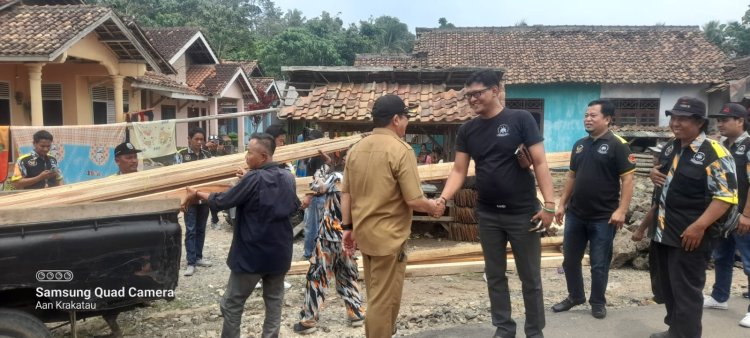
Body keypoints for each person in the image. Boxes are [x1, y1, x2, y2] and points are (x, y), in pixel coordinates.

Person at [436, 70, 555, 338]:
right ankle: (504, 328)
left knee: (530, 279)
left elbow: (540, 162)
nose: (473, 99)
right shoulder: (468, 130)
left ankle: (535, 331)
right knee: (495, 276)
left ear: (496, 90)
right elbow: (458, 171)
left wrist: (549, 204)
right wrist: (443, 198)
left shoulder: (521, 119)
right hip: (488, 214)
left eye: (477, 93)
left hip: (523, 214)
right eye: (468, 96)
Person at [341, 94, 442, 337]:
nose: (406, 124)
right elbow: (414, 200)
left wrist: (347, 227)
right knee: (381, 300)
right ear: (396, 119)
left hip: (365, 234)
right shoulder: (401, 149)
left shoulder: (356, 149)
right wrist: (434, 206)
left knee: (381, 293)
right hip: (388, 238)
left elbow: (346, 193)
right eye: (406, 118)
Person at [184, 133, 299, 338]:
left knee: (232, 303)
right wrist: (246, 179)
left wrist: (197, 193)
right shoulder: (288, 177)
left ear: (263, 156)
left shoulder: (254, 179)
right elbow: (294, 206)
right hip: (279, 253)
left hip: (252, 255)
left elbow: (222, 201)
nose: (246, 156)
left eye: (249, 152)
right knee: (274, 302)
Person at [648, 97, 738, 338]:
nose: (675, 123)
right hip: (663, 231)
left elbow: (725, 197)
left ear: (699, 122)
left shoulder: (715, 152)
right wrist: (653, 173)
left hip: (691, 236)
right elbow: (664, 181)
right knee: (666, 288)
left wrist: (698, 227)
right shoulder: (670, 147)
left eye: (682, 119)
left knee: (686, 292)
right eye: (673, 118)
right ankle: (674, 330)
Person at [551, 100, 636, 319]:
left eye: (593, 115)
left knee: (599, 263)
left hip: (604, 217)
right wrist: (562, 204)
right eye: (586, 115)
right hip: (577, 215)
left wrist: (621, 210)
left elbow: (627, 180)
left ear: (607, 119)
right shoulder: (579, 144)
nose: (588, 119)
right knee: (570, 260)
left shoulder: (618, 144)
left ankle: (597, 301)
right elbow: (571, 175)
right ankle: (575, 296)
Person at [294, 159, 366, 335]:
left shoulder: (338, 177)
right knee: (347, 274)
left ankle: (308, 319)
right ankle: (355, 313)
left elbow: (317, 187)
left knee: (317, 276)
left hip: (330, 237)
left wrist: (320, 170)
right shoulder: (363, 179)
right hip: (349, 237)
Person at [705, 102, 750, 327]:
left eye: (725, 120)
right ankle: (719, 297)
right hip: (724, 215)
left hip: (744, 215)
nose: (720, 124)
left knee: (749, 261)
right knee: (722, 257)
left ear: (740, 121)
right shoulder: (722, 146)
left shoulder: (748, 145)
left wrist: (747, 215)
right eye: (719, 120)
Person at [175, 127, 214, 276]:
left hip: (203, 200)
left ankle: (198, 257)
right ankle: (190, 262)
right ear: (189, 139)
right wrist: (182, 201)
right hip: (189, 201)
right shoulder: (181, 156)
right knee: (190, 230)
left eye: (201, 139)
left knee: (201, 229)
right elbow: (177, 179)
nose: (199, 142)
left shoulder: (207, 155)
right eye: (196, 139)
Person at [631, 143, 667, 305]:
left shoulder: (663, 176)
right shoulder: (658, 174)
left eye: (657, 156)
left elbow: (656, 206)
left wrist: (640, 229)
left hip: (662, 229)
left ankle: (660, 297)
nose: (654, 158)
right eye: (653, 154)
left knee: (659, 265)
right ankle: (661, 295)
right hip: (660, 229)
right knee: (657, 264)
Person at [302, 129, 332, 260]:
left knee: (312, 227)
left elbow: (319, 178)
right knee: (313, 226)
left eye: (312, 139)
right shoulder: (313, 155)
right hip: (315, 196)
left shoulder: (319, 157)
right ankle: (313, 253)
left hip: (316, 196)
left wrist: (309, 195)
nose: (309, 141)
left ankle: (310, 254)